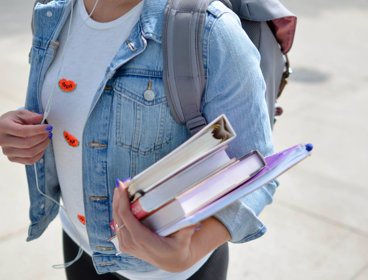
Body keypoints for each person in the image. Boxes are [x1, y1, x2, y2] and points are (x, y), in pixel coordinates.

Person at [0, 0, 277, 279]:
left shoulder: (210, 30)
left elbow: (256, 169)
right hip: (79, 246)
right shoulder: (53, 10)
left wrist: (189, 252)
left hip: (170, 274)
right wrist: (17, 132)